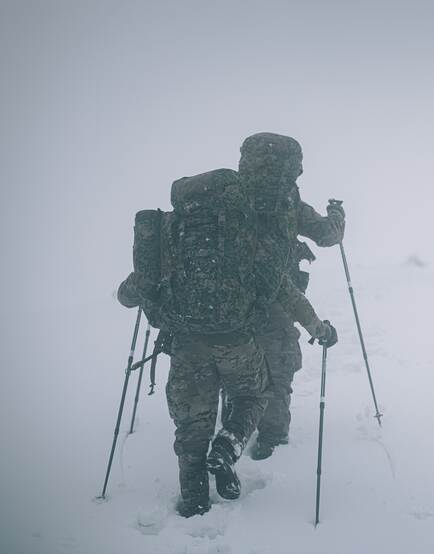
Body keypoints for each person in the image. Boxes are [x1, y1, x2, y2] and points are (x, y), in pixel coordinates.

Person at [117, 139, 337, 518]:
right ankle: (233, 445)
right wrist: (317, 326)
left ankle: (194, 500)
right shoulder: (256, 227)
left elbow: (133, 290)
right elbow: (286, 285)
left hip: (186, 340)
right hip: (238, 334)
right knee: (256, 392)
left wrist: (137, 292)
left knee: (191, 423)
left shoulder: (181, 228)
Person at [238, 132, 346, 461]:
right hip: (277, 297)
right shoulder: (289, 203)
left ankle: (234, 425)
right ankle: (271, 436)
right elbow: (328, 235)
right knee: (278, 364)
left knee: (234, 359)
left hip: (231, 296)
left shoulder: (230, 198)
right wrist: (337, 216)